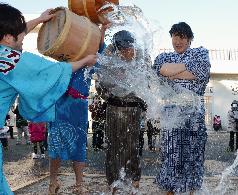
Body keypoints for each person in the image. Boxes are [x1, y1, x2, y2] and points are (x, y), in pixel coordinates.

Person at [0, 3, 97, 194]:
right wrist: (85, 60)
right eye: (21, 34)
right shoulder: (12, 59)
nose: (23, 39)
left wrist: (39, 20)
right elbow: (55, 70)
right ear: (9, 37)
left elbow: (11, 36)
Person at [47, 22, 109, 194]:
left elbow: (100, 50)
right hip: (60, 103)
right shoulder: (64, 54)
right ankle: (53, 181)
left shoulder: (91, 57)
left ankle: (79, 183)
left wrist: (102, 30)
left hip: (79, 106)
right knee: (55, 144)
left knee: (79, 145)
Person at [153, 22, 211, 194]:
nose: (178, 41)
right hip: (171, 111)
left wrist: (173, 72)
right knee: (171, 153)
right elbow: (160, 70)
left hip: (194, 112)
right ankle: (170, 190)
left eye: (182, 37)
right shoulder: (164, 57)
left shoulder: (200, 52)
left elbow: (201, 73)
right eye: (175, 36)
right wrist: (188, 67)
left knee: (194, 152)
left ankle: (192, 190)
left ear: (190, 39)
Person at [98, 30, 148, 191]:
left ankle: (134, 181)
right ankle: (113, 183)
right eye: (122, 49)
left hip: (133, 110)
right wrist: (110, 95)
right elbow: (99, 85)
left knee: (132, 147)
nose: (126, 52)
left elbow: (147, 84)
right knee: (113, 148)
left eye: (128, 48)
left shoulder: (141, 57)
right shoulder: (109, 57)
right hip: (113, 108)